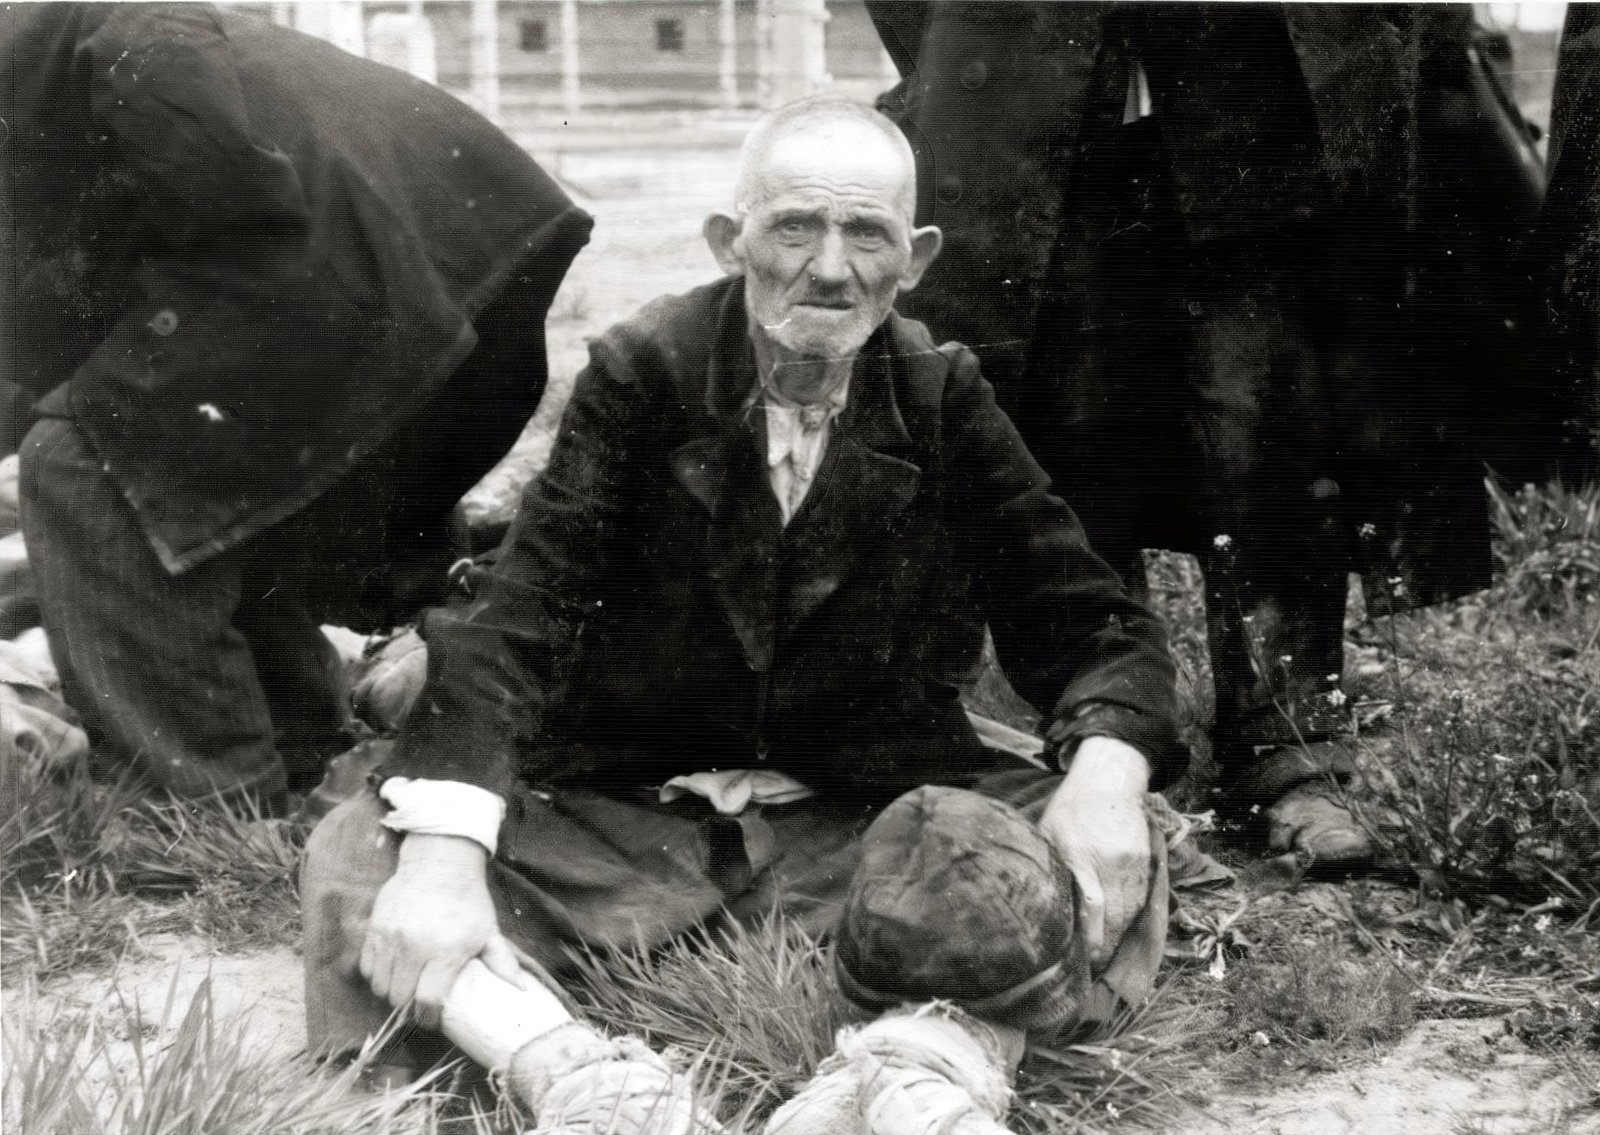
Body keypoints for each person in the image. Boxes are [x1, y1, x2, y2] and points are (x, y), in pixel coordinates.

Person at [300, 96, 1181, 1134]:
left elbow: (1095, 627)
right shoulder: (645, 371)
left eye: (868, 234)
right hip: (625, 810)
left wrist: (1109, 776)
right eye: (794, 226)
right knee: (372, 851)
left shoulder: (941, 397)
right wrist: (448, 860)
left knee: (1115, 835)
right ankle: (584, 1084)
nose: (831, 267)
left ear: (919, 257)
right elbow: (515, 620)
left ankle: (918, 1074)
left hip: (852, 823)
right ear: (731, 241)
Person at [865, 2, 1554, 860]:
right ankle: (1106, 741)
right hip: (1036, 92)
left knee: (1267, 422)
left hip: (1253, 85)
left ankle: (1291, 753)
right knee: (1072, 424)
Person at [1, 4, 592, 811]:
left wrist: (223, 198)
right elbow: (40, 325)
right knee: (164, 447)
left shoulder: (64, 32)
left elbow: (163, 56)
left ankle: (203, 801)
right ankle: (298, 740)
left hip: (349, 258)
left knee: (87, 461)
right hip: (463, 256)